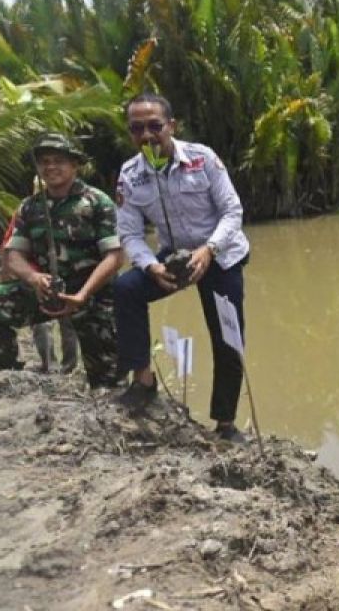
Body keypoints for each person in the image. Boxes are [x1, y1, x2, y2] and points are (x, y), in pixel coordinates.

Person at [112, 93, 251, 443]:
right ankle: (143, 381)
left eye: (155, 126)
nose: (147, 135)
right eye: (137, 129)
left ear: (171, 126)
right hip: (173, 258)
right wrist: (149, 266)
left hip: (221, 256)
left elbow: (232, 211)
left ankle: (225, 422)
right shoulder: (130, 175)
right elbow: (129, 232)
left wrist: (209, 249)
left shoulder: (202, 160)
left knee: (228, 338)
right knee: (127, 289)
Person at [0, 132, 121, 386]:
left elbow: (114, 257)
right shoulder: (30, 207)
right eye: (44, 161)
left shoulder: (97, 202)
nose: (50, 167)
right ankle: (10, 376)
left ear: (74, 164)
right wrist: (33, 277)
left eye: (58, 160)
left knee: (107, 382)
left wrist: (82, 295)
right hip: (45, 291)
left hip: (92, 295)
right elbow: (13, 253)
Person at [0, 203, 80, 373]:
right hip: (39, 276)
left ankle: (60, 365)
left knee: (60, 320)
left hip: (59, 275)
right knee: (49, 322)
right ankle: (57, 365)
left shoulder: (73, 211)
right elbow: (9, 249)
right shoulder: (27, 213)